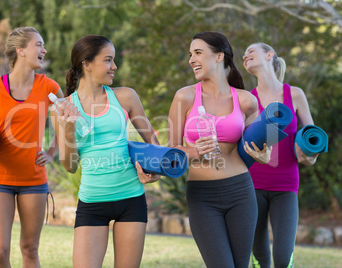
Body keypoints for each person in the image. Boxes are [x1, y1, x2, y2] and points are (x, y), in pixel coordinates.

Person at [50, 35, 160, 268]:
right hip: (92, 203)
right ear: (86, 64)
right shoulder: (62, 108)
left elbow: (152, 141)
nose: (114, 66)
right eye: (108, 60)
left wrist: (155, 169)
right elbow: (70, 167)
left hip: (131, 198)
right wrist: (68, 131)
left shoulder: (125, 96)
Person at [168, 31, 271, 268]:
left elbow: (262, 147)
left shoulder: (246, 100)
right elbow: (171, 152)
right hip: (202, 196)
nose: (191, 59)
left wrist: (264, 155)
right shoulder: (184, 97)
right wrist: (194, 152)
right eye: (190, 54)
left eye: (198, 53)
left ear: (218, 56)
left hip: (241, 192)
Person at [0, 26, 63, 267]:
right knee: (0, 251)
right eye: (38, 45)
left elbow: (65, 121)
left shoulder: (49, 87)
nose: (44, 50)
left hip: (33, 178)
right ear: (20, 50)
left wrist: (52, 152)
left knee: (30, 249)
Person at [242, 42, 319, 268]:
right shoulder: (247, 100)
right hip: (253, 186)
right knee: (260, 258)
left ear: (269, 55)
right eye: (244, 55)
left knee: (283, 258)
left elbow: (311, 137)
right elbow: (242, 143)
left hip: (286, 187)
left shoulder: (294, 94)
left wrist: (311, 156)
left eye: (251, 52)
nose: (245, 56)